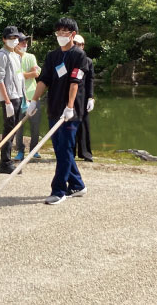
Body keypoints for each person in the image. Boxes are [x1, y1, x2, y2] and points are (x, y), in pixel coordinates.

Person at [28, 17, 88, 205]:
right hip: (54, 109)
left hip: (71, 112)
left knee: (64, 150)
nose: (60, 35)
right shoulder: (52, 56)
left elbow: (74, 82)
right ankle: (77, 185)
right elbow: (44, 79)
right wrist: (34, 101)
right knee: (60, 150)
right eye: (58, 32)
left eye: (64, 32)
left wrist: (70, 107)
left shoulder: (79, 55)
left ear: (72, 34)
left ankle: (59, 190)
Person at [0, 25, 25, 174]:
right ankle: (5, 162)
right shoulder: (2, 55)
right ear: (4, 39)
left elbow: (20, 78)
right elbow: (0, 80)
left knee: (14, 129)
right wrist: (7, 101)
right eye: (10, 38)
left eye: (15, 38)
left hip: (18, 96)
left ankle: (7, 159)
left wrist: (25, 98)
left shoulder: (16, 55)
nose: (14, 40)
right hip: (9, 98)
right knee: (9, 129)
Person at [14, 35, 42, 161]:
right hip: (17, 96)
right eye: (22, 42)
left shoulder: (31, 57)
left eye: (26, 42)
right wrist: (27, 74)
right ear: (16, 44)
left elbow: (36, 73)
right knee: (19, 126)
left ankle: (34, 149)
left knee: (35, 125)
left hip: (33, 95)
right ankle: (20, 150)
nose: (25, 44)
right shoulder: (12, 58)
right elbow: (14, 76)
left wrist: (23, 75)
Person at [72, 34, 95, 162]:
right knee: (70, 125)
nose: (79, 46)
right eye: (76, 44)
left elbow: (90, 80)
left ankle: (85, 153)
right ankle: (70, 153)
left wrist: (91, 97)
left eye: (81, 44)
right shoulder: (68, 59)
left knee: (84, 125)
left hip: (83, 97)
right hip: (69, 97)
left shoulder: (88, 61)